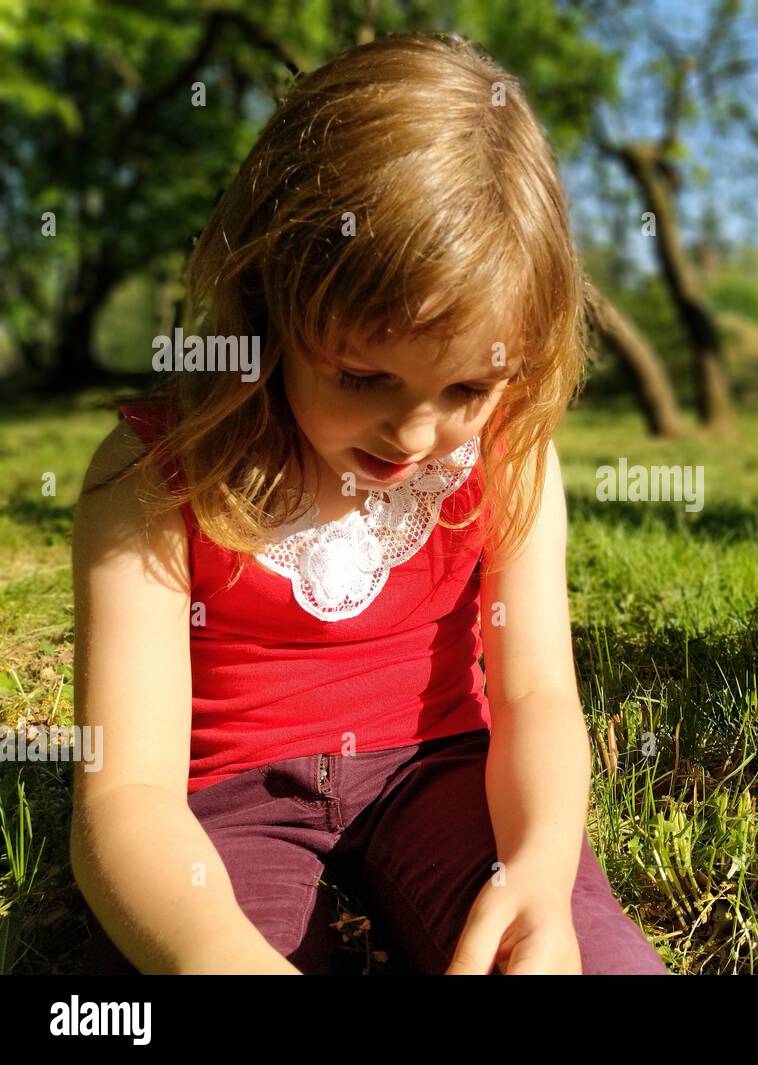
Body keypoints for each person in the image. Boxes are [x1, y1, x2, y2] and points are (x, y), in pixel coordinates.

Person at [70, 32, 666, 976]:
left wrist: (542, 871)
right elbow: (126, 793)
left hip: (446, 772)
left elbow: (536, 692)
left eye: (468, 388)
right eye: (360, 374)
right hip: (224, 803)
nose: (415, 432)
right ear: (270, 302)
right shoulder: (153, 477)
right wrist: (211, 950)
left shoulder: (507, 456)